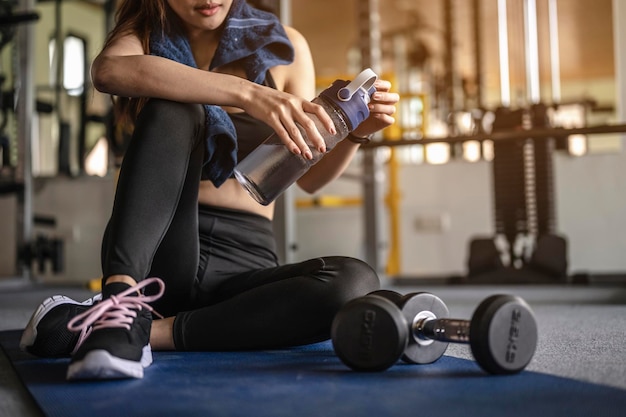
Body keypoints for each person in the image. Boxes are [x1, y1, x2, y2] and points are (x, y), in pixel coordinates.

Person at [19, 0, 399, 380]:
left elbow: (310, 179)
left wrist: (356, 134)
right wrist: (248, 94)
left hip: (246, 263)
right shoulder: (146, 34)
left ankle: (135, 329)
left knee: (354, 282)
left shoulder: (287, 48)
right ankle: (122, 303)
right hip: (163, 253)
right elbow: (107, 71)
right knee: (179, 107)